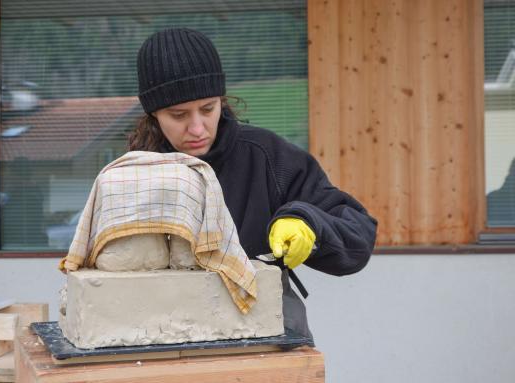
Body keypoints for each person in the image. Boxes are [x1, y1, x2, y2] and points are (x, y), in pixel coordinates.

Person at [128, 28, 378, 340]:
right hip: (165, 337)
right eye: (178, 114)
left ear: (221, 100)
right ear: (153, 114)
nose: (197, 127)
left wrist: (307, 223)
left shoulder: (267, 157)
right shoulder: (132, 176)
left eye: (208, 109)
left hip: (268, 334)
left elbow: (358, 236)